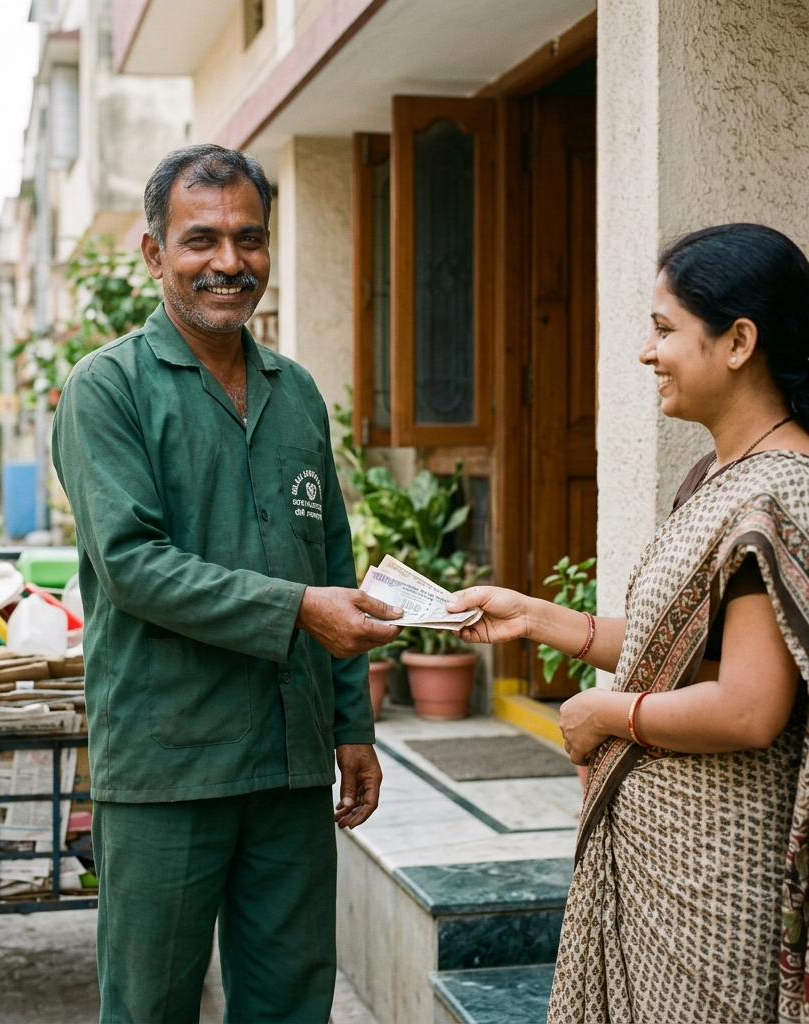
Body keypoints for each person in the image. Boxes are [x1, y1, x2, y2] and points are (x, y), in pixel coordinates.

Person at [51, 144, 403, 1024]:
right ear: (153, 253)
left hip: (288, 764)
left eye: (249, 239)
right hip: (168, 765)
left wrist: (352, 724)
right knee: (150, 1008)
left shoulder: (297, 394)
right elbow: (132, 566)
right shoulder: (108, 390)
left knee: (290, 1002)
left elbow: (330, 563)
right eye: (200, 239)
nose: (228, 263)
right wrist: (298, 613)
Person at [447, 223, 809, 1023]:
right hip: (664, 856)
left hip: (717, 873)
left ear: (740, 340)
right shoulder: (719, 477)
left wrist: (602, 712)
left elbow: (749, 708)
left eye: (664, 329)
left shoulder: (774, 498)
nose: (648, 354)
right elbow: (681, 652)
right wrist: (537, 617)